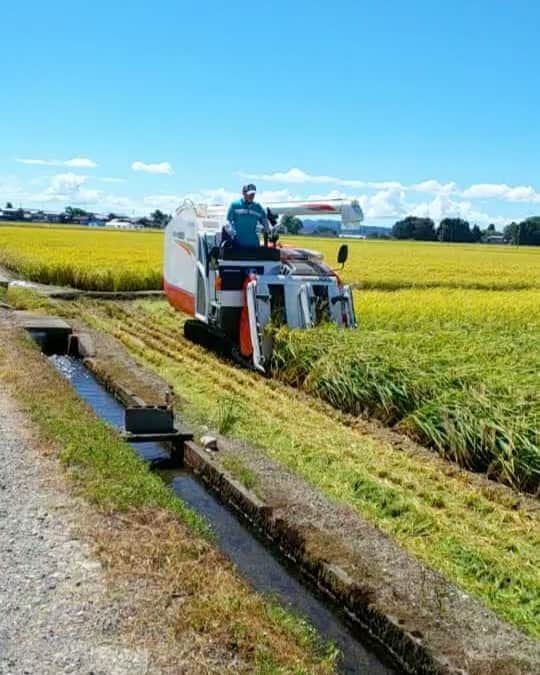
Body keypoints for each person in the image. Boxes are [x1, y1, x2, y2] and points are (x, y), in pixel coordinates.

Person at [224, 184, 270, 248]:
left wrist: (267, 228)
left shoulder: (258, 207)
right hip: (238, 245)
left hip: (254, 245)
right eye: (250, 194)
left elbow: (265, 221)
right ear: (243, 193)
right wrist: (231, 232)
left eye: (253, 194)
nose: (252, 196)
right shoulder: (234, 205)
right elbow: (228, 221)